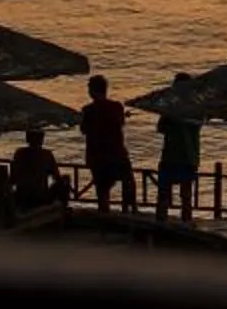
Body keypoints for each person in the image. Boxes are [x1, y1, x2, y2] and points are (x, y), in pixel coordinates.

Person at [79, 74, 136, 215]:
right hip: (117, 154)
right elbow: (120, 123)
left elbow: (84, 130)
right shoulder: (116, 107)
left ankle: (105, 218)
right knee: (128, 183)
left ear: (92, 91)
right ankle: (129, 213)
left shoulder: (87, 110)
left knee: (102, 191)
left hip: (97, 157)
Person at [153, 72, 204, 220]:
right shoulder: (196, 108)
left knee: (165, 194)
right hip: (187, 156)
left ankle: (164, 222)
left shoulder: (173, 108)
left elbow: (161, 128)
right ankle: (183, 222)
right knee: (184, 195)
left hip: (175, 156)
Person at [8, 126, 67, 213]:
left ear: (27, 139)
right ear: (42, 140)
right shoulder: (46, 154)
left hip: (21, 196)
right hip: (40, 198)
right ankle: (63, 213)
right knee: (65, 180)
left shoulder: (19, 153)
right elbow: (56, 177)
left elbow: (12, 179)